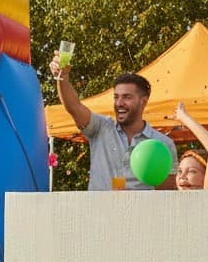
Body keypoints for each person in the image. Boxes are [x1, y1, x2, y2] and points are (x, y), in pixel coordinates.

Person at [51, 53, 178, 190]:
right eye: (116, 97)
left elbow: (168, 195)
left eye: (127, 97)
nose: (119, 103)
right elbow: (74, 107)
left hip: (140, 211)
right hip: (99, 211)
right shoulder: (101, 128)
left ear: (143, 102)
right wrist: (62, 77)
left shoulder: (163, 144)